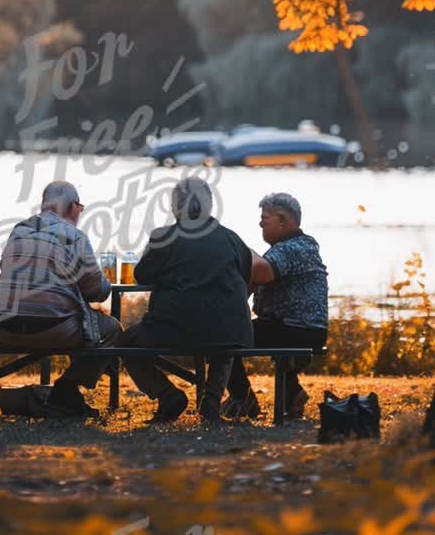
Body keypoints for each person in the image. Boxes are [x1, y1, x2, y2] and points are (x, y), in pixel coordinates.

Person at [118, 177, 253, 423]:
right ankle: (210, 403)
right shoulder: (232, 238)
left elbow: (142, 275)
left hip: (175, 328)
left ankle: (167, 394)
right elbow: (246, 275)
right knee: (224, 337)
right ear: (209, 205)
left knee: (126, 342)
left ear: (174, 206)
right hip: (231, 331)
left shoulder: (163, 237)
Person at [0, 180, 122, 417]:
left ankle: (64, 396)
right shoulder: (75, 237)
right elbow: (97, 291)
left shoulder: (18, 231)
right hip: (54, 330)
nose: (80, 213)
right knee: (111, 329)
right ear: (72, 207)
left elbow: (4, 271)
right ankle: (66, 390)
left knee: (78, 318)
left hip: (3, 328)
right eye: (80, 208)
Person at [224, 192, 328, 420]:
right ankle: (292, 395)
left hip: (296, 330)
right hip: (301, 328)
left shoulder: (292, 249)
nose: (260, 222)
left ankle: (243, 400)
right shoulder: (295, 247)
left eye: (265, 217)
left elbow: (261, 271)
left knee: (224, 337)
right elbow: (254, 281)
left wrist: (242, 249)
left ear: (283, 220)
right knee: (246, 329)